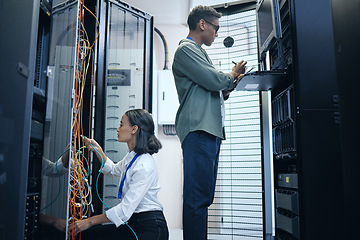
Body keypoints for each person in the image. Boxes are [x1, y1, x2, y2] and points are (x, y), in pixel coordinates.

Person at [172, 5, 247, 240]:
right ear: (202, 24)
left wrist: (228, 87)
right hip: (199, 130)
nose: (217, 32)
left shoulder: (200, 53)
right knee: (197, 198)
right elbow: (213, 79)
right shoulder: (186, 49)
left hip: (209, 130)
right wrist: (232, 75)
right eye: (215, 27)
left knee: (203, 197)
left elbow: (212, 87)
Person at [69, 109, 169, 240]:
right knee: (89, 235)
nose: (117, 129)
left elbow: (124, 210)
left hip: (150, 227)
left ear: (134, 129)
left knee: (90, 230)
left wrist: (88, 222)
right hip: (135, 223)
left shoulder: (144, 165)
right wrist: (98, 150)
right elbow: (114, 170)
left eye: (121, 125)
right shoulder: (133, 157)